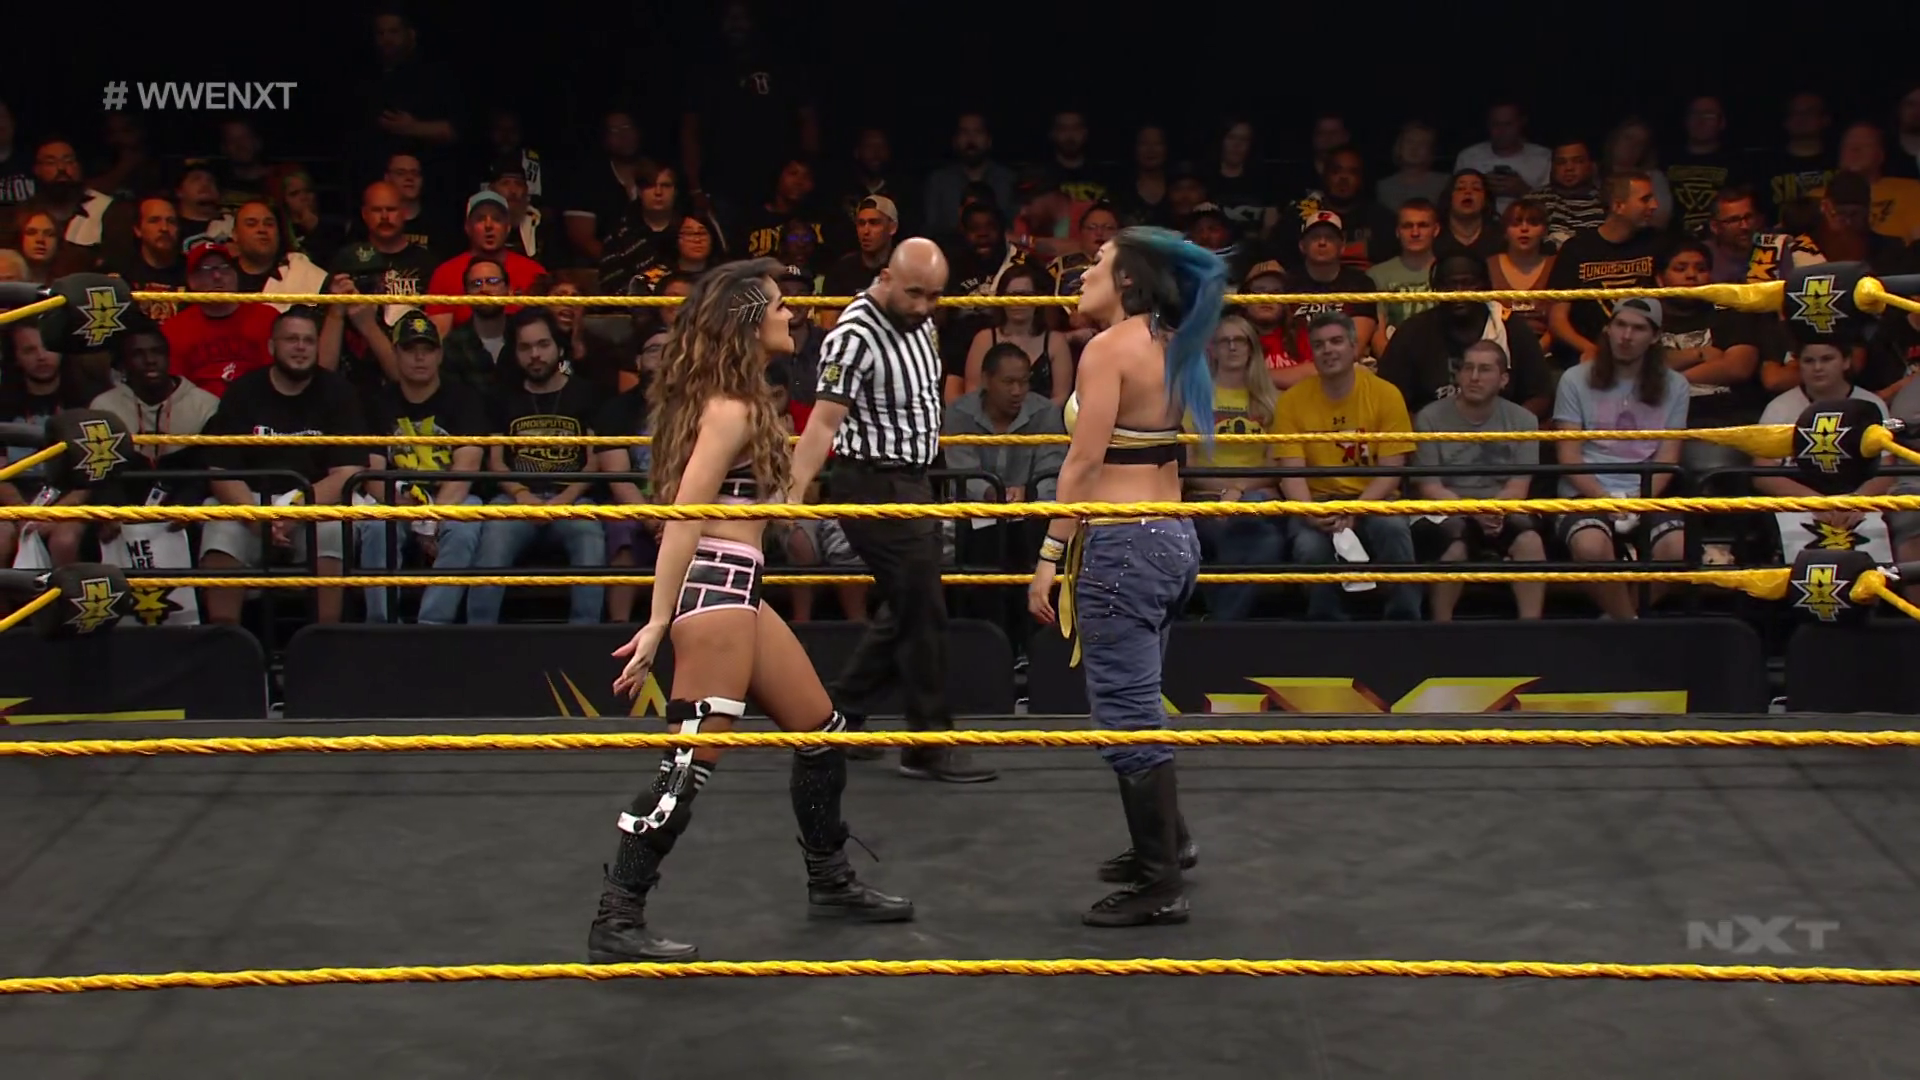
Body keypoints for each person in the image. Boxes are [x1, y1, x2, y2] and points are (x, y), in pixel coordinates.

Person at [590, 259, 913, 964]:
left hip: (740, 590)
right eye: (776, 305)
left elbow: (765, 502)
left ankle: (830, 878)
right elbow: (683, 517)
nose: (789, 314)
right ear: (746, 322)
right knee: (686, 766)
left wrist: (823, 429)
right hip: (716, 597)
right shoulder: (730, 409)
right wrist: (656, 621)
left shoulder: (737, 400)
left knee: (822, 732)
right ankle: (617, 915)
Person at [1027, 226, 1222, 928]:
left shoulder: (1109, 349)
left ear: (1129, 280)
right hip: (1171, 538)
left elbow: (1081, 466)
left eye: (1097, 265)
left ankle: (1159, 882)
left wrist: (1049, 557)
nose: (1082, 275)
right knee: (1139, 700)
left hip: (1124, 545)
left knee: (1125, 712)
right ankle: (1168, 844)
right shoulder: (1174, 343)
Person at [787, 238, 997, 783]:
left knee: (909, 603)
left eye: (935, 296)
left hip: (913, 481)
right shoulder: (854, 334)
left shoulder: (921, 321)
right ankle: (927, 744)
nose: (925, 306)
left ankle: (838, 717)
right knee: (923, 607)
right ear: (885, 277)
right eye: (915, 293)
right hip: (872, 485)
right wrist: (791, 495)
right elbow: (823, 423)